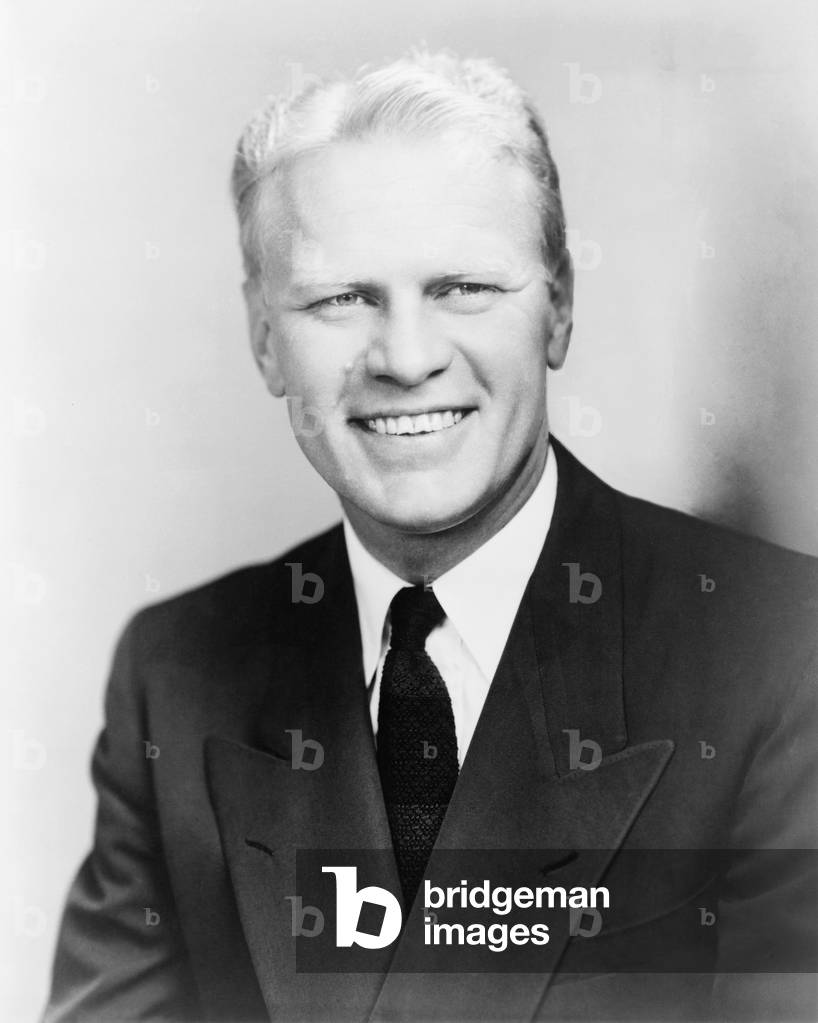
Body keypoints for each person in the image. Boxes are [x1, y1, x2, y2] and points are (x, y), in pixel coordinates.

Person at [43, 49, 817, 1022]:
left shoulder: (781, 648)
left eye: (463, 288)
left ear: (559, 308)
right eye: (341, 299)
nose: (406, 359)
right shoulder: (174, 675)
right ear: (263, 339)